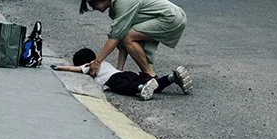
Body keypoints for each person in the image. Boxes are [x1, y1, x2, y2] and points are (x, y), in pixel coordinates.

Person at [79, 0, 187, 78]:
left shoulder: (121, 0)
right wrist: (118, 71)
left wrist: (97, 62)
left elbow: (115, 37)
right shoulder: (115, 4)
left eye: (91, 3)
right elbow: (121, 41)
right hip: (172, 16)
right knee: (127, 37)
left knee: (128, 37)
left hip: (171, 18)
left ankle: (149, 75)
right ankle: (150, 75)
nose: (93, 7)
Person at [53, 48, 192, 100]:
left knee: (123, 86)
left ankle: (140, 89)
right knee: (151, 83)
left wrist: (60, 67)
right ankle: (171, 77)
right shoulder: (103, 62)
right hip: (125, 73)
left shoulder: (91, 66)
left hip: (113, 79)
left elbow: (75, 69)